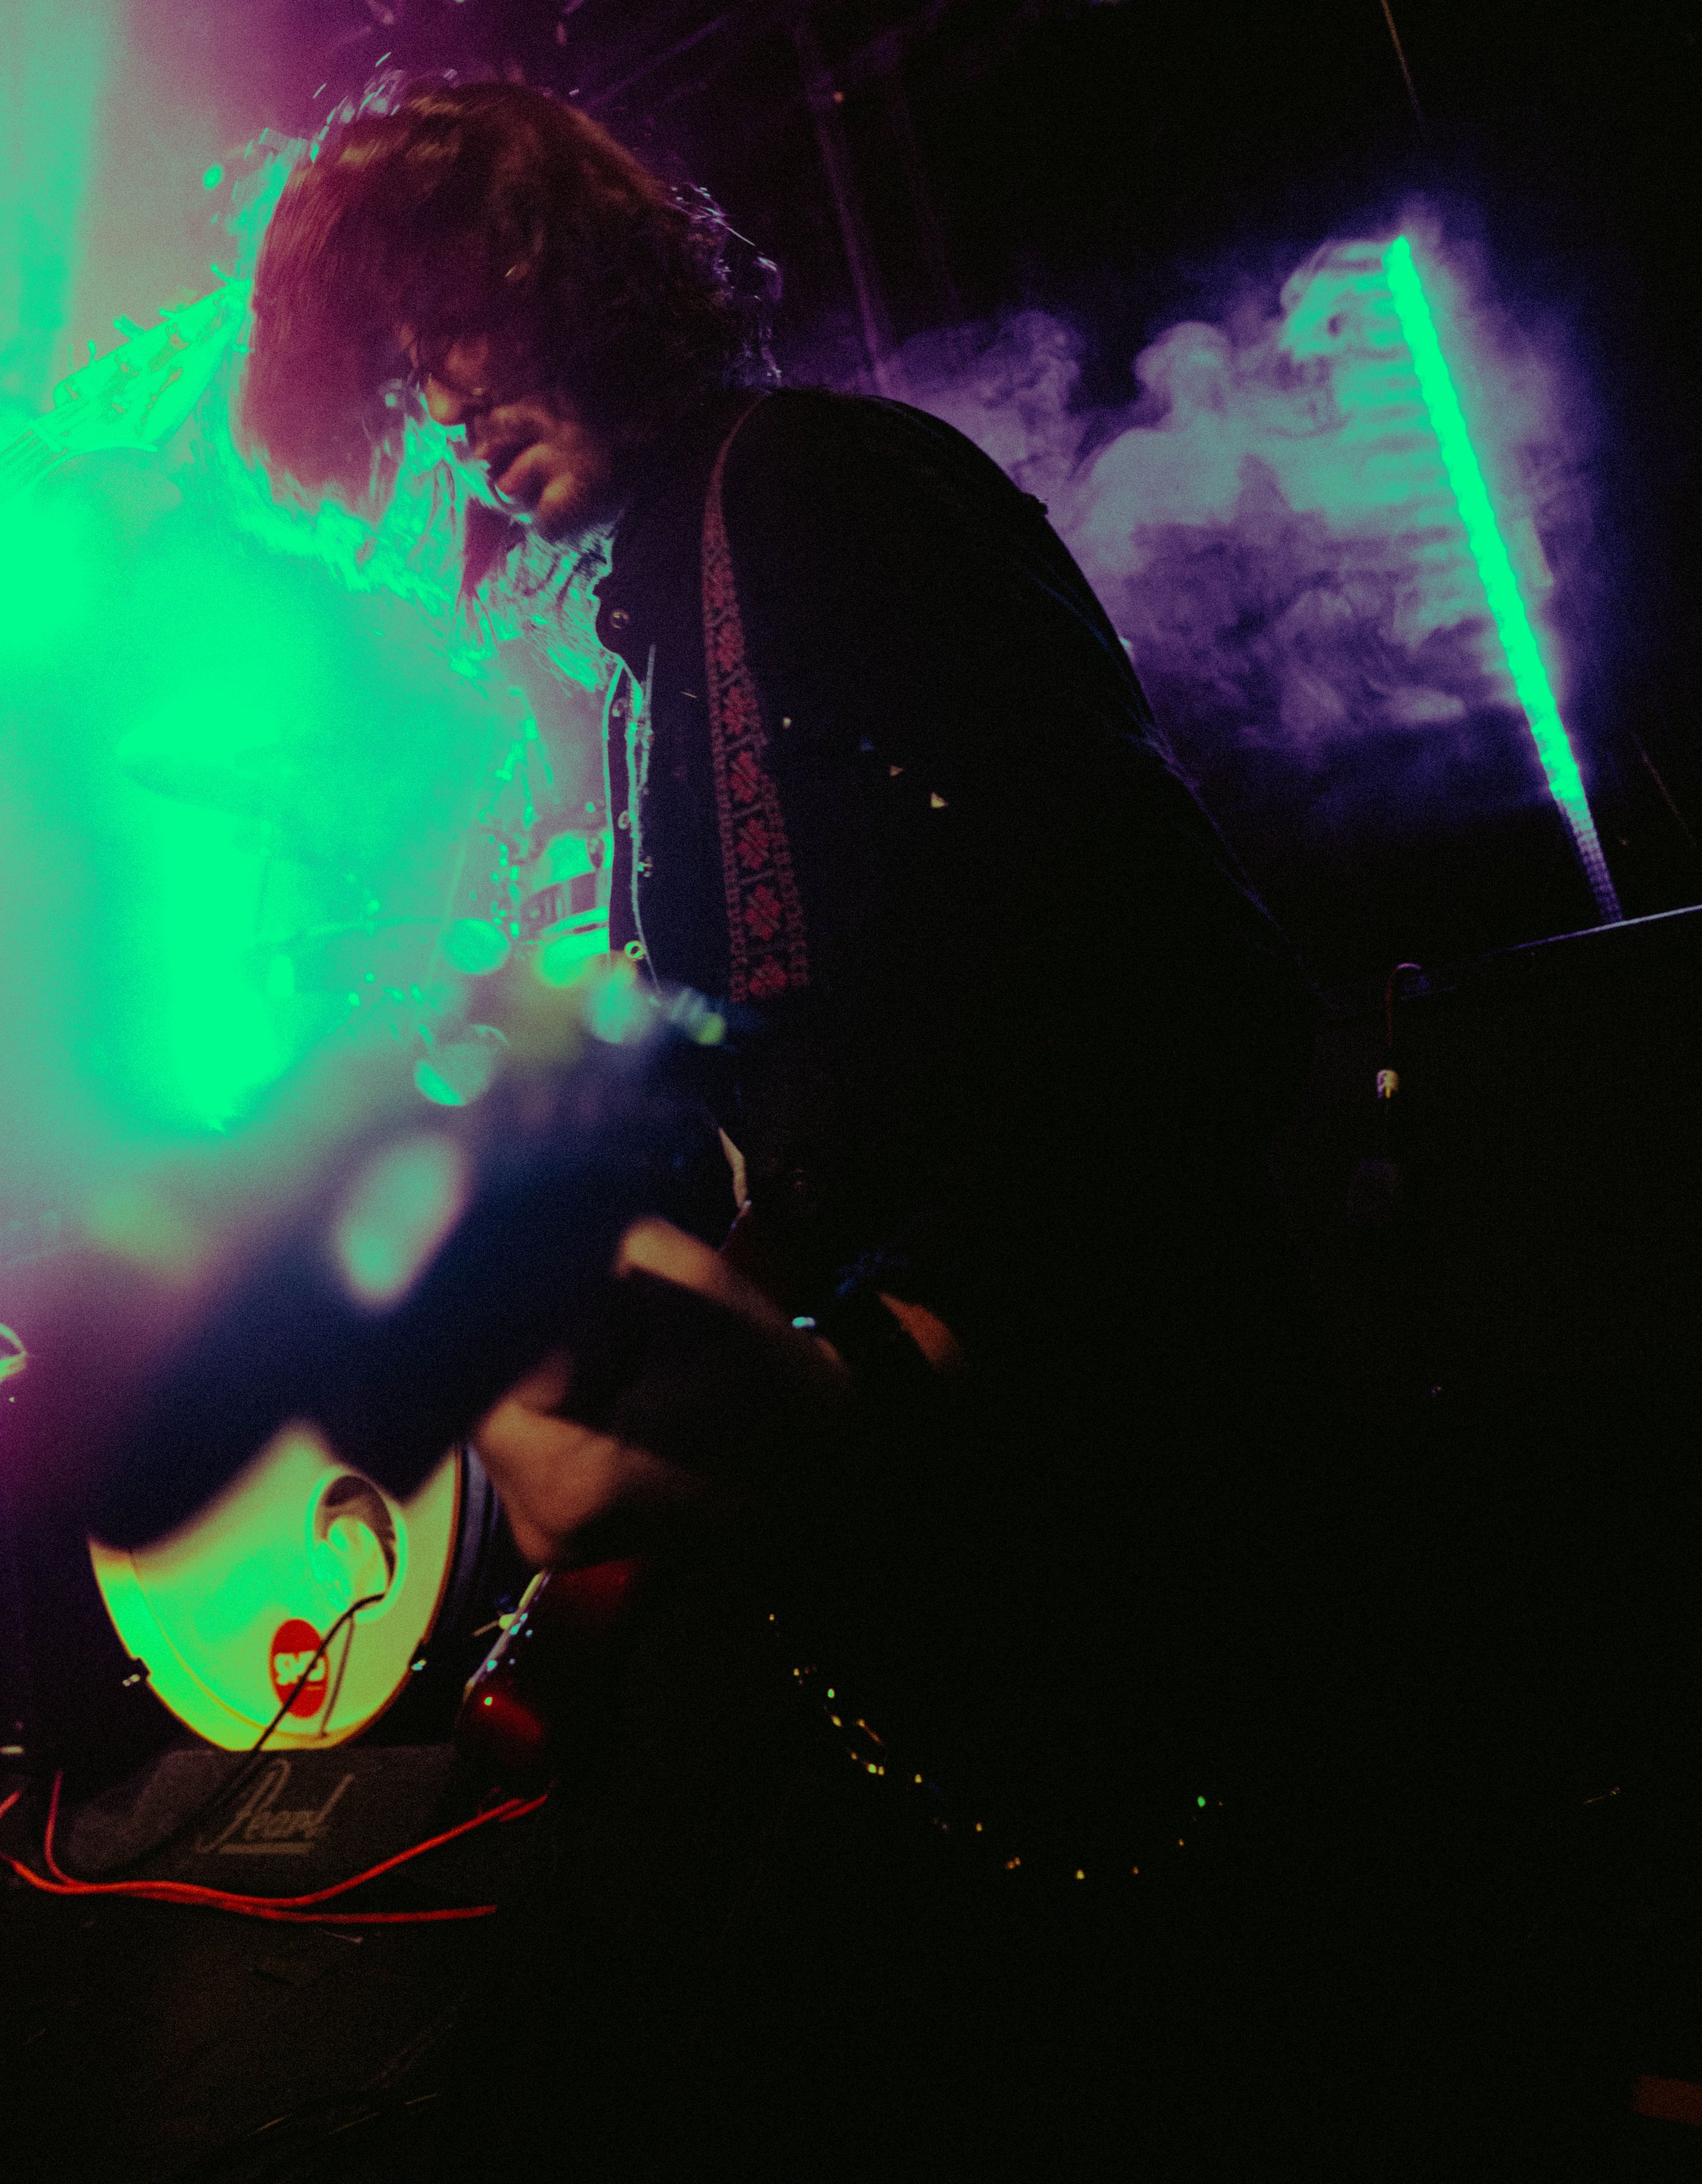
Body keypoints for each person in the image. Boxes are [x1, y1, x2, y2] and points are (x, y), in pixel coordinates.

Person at [240, 78, 1325, 2176]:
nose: (442, 399)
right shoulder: (638, 621)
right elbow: (808, 1081)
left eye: (464, 317)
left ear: (584, 274)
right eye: (399, 366)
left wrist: (854, 1373)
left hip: (1056, 1545)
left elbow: (1194, 1004)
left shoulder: (820, 496)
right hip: (869, 1548)